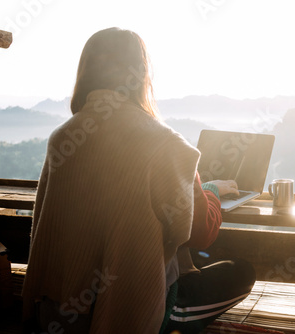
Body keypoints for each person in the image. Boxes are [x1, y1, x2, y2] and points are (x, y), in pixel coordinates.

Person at [21, 27, 255, 334]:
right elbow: (200, 234)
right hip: (134, 313)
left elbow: (44, 232)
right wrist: (207, 189)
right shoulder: (166, 145)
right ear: (142, 75)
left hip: (58, 313)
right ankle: (174, 320)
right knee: (242, 272)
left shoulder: (62, 138)